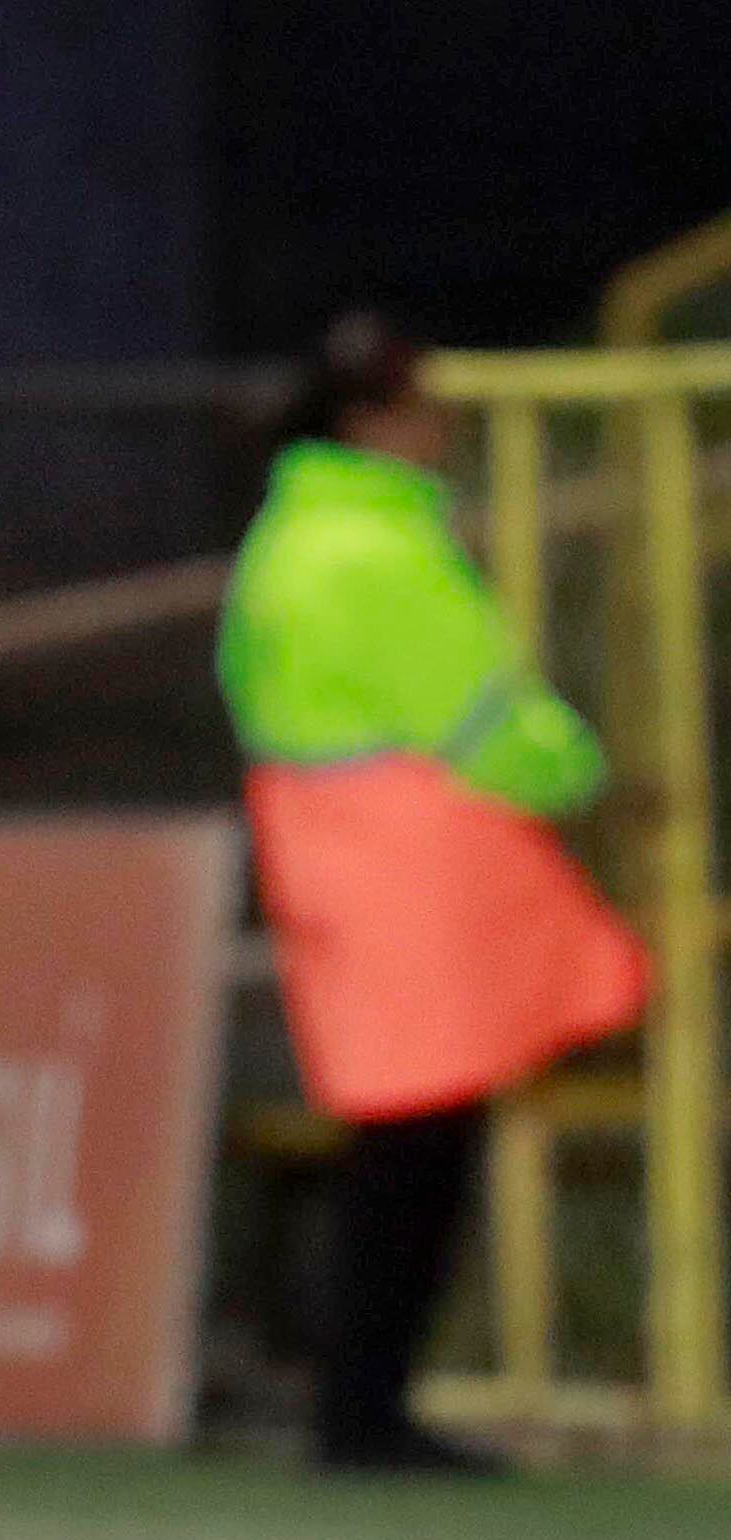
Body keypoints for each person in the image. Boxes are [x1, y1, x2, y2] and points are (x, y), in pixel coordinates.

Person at [217, 312, 651, 1475]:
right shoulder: (369, 546)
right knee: (414, 1149)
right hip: (412, 872)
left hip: (334, 862)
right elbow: (483, 717)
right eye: (420, 406)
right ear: (374, 421)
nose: (441, 426)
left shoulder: (289, 537)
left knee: (396, 1141)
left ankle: (357, 1398)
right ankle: (364, 1407)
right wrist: (584, 769)